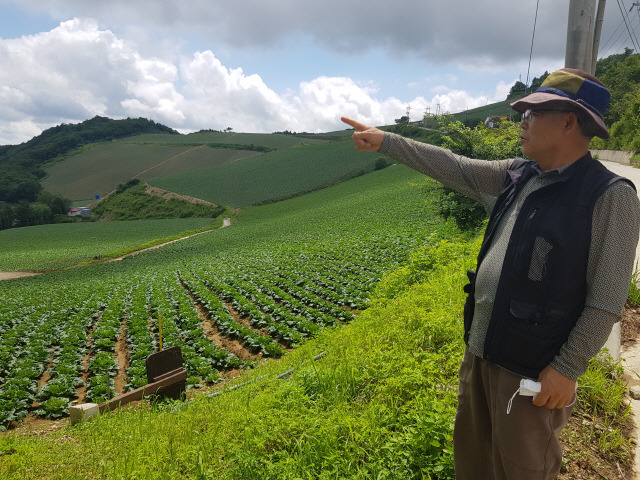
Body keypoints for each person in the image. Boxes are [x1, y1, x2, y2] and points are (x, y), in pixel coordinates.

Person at [342, 68, 640, 479]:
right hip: (482, 352)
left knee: (522, 469)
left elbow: (606, 301)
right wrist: (386, 141)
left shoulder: (609, 197)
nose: (523, 122)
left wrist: (568, 368)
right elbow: (454, 166)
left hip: (533, 372)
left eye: (534, 113)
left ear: (570, 121)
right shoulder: (517, 175)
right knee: (473, 461)